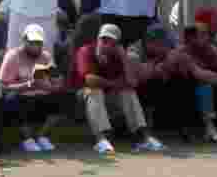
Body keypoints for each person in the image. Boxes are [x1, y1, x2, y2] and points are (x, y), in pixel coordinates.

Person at [69, 23, 164, 155]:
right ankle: (101, 140)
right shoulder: (86, 51)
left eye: (112, 42)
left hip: (107, 98)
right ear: (98, 39)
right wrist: (114, 84)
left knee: (128, 92)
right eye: (104, 40)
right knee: (94, 91)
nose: (106, 45)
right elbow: (89, 80)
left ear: (117, 45)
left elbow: (132, 82)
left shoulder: (118, 56)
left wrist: (124, 58)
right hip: (81, 99)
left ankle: (144, 137)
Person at [0, 25, 67, 153]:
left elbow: (56, 79)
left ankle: (41, 136)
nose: (36, 46)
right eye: (32, 42)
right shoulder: (12, 56)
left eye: (38, 43)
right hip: (22, 95)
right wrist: (28, 85)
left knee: (63, 98)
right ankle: (27, 139)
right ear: (24, 40)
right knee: (11, 99)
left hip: (42, 94)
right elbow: (3, 86)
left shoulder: (46, 56)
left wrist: (55, 85)